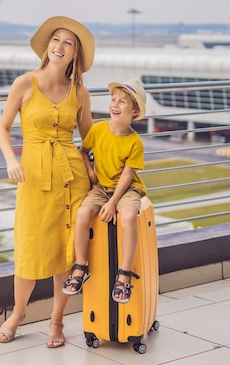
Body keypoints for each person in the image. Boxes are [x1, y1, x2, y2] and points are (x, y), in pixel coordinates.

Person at [0, 16, 95, 348]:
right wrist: (11, 159)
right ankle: (17, 314)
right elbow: (2, 128)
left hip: (72, 180)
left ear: (74, 55)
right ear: (47, 45)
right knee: (29, 249)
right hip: (34, 179)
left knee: (64, 255)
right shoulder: (25, 83)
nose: (59, 46)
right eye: (56, 39)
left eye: (68, 43)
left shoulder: (80, 92)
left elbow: (90, 139)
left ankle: (56, 321)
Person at [62, 78, 147, 304]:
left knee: (127, 216)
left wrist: (112, 203)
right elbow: (83, 151)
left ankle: (124, 274)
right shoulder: (98, 130)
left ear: (135, 111)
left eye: (123, 102)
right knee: (82, 214)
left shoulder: (135, 142)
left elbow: (127, 176)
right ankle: (81, 267)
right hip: (101, 186)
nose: (115, 105)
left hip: (127, 189)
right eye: (113, 100)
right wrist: (91, 173)